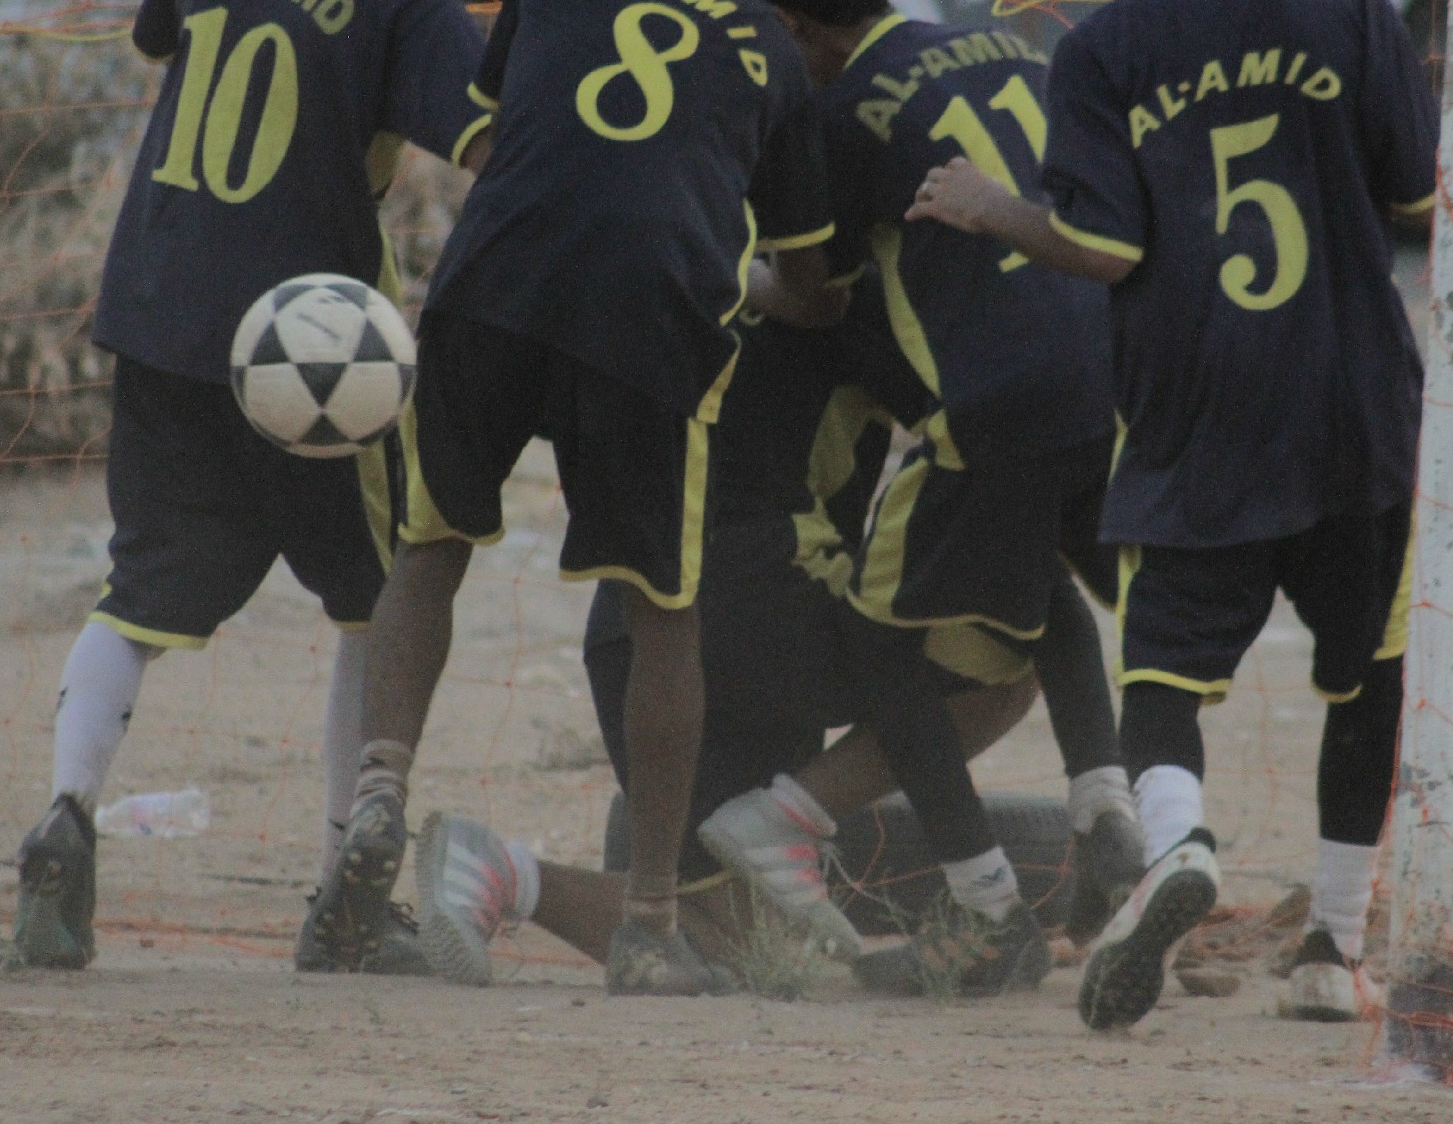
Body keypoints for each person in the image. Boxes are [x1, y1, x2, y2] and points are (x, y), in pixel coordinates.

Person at [908, 0, 1439, 1030]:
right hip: (1355, 400)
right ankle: (1333, 950)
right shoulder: (1347, 5)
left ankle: (1183, 843)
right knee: (1368, 670)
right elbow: (1421, 193)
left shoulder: (1106, 48)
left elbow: (1105, 247)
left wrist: (991, 206)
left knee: (1164, 678)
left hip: (1198, 407)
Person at [3, 0, 519, 972]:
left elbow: (167, 35)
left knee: (141, 589)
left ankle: (65, 814)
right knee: (380, 599)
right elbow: (495, 149)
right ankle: (348, 898)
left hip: (160, 313)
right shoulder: (409, 1)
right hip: (316, 347)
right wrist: (452, 26)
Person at [309, 0, 843, 996]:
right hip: (649, 319)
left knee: (429, 548)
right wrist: (779, 282)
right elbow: (809, 285)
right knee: (664, 614)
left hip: (492, 285)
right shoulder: (766, 45)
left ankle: (380, 794)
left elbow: (507, 128)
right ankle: (648, 921)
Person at [704, 0, 1145, 999]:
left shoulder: (836, 117)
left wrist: (722, 269)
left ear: (786, 23)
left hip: (989, 410)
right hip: (1110, 382)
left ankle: (980, 902)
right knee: (1040, 579)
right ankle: (1105, 798)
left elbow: (818, 296)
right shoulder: (1010, 46)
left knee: (880, 642)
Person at [407, 292, 1054, 986]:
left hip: (635, 631)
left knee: (736, 941)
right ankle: (789, 817)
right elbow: (992, 438)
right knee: (1007, 656)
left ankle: (499, 873)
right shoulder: (848, 293)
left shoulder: (696, 276)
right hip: (766, 605)